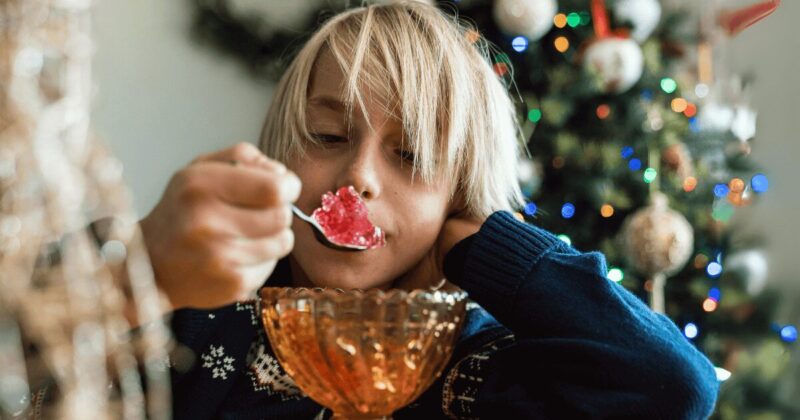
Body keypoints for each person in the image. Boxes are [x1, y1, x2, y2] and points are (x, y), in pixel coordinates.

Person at [139, 2, 719, 418]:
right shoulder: (207, 316)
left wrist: (485, 245)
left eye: (411, 154)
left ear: (459, 198)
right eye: (327, 135)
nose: (359, 177)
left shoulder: (481, 368)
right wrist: (144, 263)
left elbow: (673, 385)